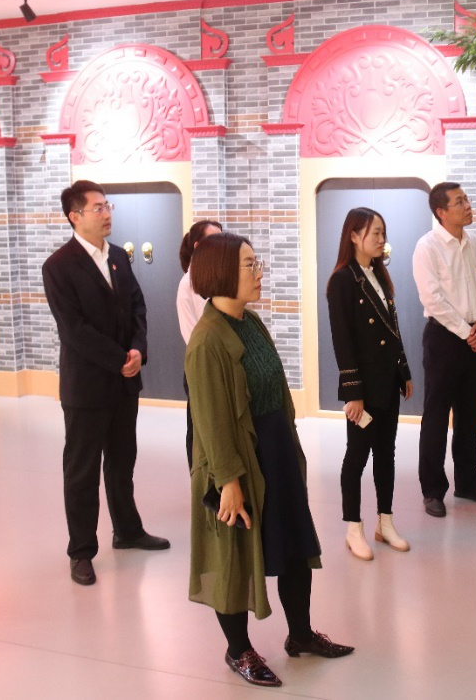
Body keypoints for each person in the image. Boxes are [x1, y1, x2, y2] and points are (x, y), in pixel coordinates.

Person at [186, 232, 353, 688]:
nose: (259, 273)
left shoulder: (251, 321)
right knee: (234, 557)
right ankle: (238, 650)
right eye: (250, 265)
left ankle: (300, 635)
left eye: (256, 263)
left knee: (295, 544)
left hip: (275, 450)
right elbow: (211, 420)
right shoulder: (206, 342)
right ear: (221, 272)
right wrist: (229, 481)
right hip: (238, 460)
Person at [42, 180, 169, 587]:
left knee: (122, 459)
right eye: (97, 208)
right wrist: (119, 360)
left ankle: (127, 530)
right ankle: (81, 551)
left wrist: (138, 349)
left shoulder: (117, 256)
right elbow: (73, 329)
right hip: (87, 386)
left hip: (124, 382)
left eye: (107, 205)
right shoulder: (58, 266)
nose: (106, 213)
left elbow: (137, 306)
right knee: (82, 470)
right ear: (74, 216)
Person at [325, 207, 413, 560]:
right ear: (353, 236)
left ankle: (385, 523)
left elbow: (393, 330)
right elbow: (342, 341)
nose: (381, 239)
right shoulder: (342, 281)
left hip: (387, 383)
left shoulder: (379, 275)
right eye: (374, 233)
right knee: (357, 457)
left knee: (386, 455)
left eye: (382, 232)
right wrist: (353, 393)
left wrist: (404, 371)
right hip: (363, 389)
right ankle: (353, 528)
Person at [412, 182, 476, 518]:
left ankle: (468, 482)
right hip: (445, 339)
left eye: (466, 200)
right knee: (436, 417)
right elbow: (432, 299)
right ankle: (432, 490)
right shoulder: (427, 247)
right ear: (441, 212)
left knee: (470, 414)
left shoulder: (472, 242)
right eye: (459, 202)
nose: (467, 205)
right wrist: (467, 332)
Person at [176, 219, 223, 468]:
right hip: (202, 365)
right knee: (199, 428)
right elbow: (192, 334)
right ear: (198, 246)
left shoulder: (214, 278)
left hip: (218, 362)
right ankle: (198, 477)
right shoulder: (189, 283)